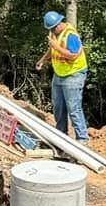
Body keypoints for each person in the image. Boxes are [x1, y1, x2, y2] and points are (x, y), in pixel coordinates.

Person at [37, 9, 89, 141]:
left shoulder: (70, 35)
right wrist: (43, 60)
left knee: (73, 108)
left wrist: (56, 47)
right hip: (60, 74)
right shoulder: (54, 33)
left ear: (59, 24)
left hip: (73, 74)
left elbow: (73, 55)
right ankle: (61, 136)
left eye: (54, 28)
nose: (52, 31)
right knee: (58, 106)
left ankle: (82, 139)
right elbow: (52, 49)